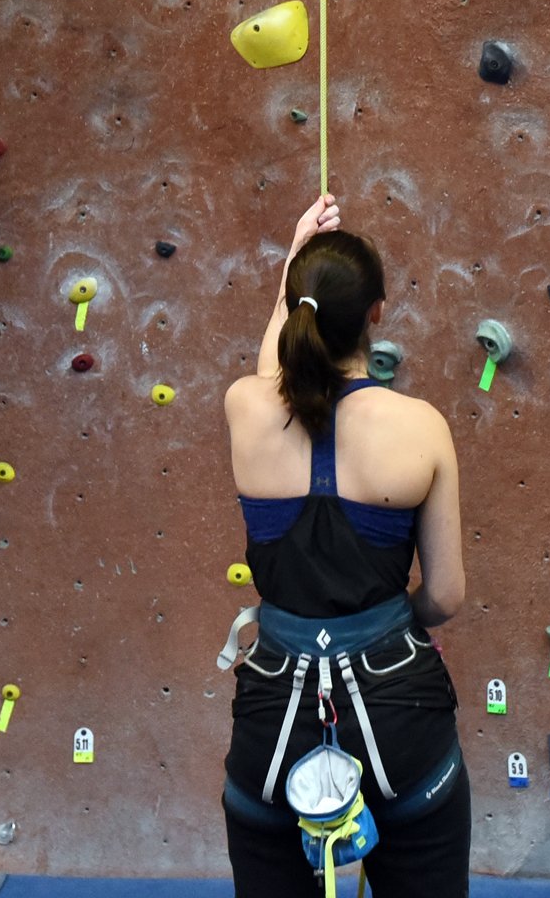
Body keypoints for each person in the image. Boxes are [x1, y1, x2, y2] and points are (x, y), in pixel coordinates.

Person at [219, 195, 469, 896]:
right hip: (400, 711)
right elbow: (445, 594)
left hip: (273, 720)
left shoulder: (246, 409)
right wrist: (387, 626)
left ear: (298, 311)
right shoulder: (419, 428)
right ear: (377, 314)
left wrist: (291, 262)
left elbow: (277, 373)